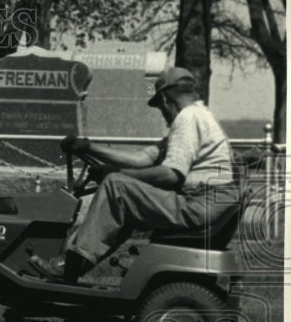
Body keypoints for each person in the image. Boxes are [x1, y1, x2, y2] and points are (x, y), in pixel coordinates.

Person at [29, 66, 238, 284]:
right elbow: (142, 159)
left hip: (198, 205)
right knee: (124, 196)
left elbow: (171, 175)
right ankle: (75, 266)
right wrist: (87, 147)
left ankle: (68, 265)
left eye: (159, 107)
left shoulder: (187, 118)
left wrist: (115, 173)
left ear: (165, 99)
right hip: (207, 203)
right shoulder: (199, 116)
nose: (162, 112)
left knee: (116, 186)